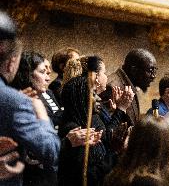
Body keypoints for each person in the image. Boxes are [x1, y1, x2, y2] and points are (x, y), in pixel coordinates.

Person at [0, 11, 60, 186]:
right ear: (12, 63)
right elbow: (51, 150)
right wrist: (41, 114)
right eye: (42, 71)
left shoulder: (44, 96)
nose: (48, 76)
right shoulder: (18, 101)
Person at [58, 55, 134, 186]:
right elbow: (92, 173)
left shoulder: (82, 118)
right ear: (82, 98)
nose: (98, 101)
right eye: (93, 96)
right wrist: (116, 152)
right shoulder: (75, 128)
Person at [101, 48, 157, 126]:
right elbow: (107, 128)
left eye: (155, 71)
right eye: (150, 70)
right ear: (134, 70)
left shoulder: (130, 85)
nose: (154, 76)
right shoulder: (112, 86)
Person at [11, 51, 62, 127]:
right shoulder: (12, 103)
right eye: (42, 72)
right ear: (27, 74)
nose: (48, 78)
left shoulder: (37, 96)